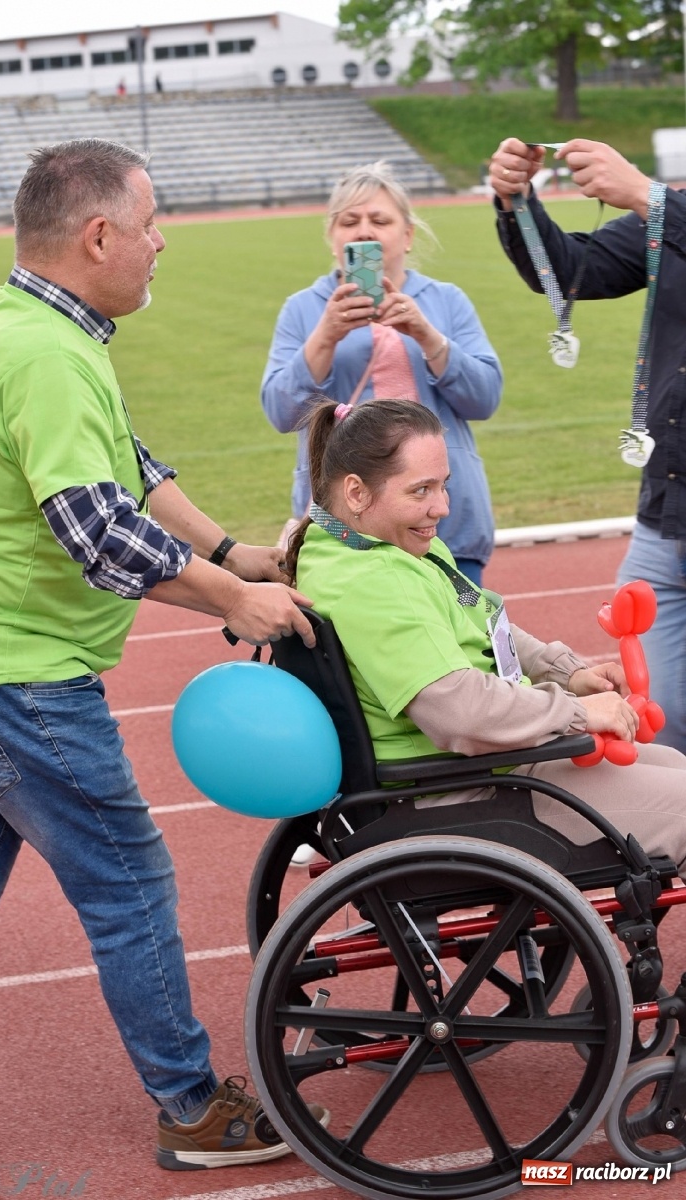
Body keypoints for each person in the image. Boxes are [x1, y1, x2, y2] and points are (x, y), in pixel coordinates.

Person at [0, 137, 324, 1179]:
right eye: (149, 224)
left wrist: (231, 553)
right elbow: (100, 533)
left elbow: (131, 467)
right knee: (129, 881)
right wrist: (236, 600)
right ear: (96, 237)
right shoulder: (44, 353)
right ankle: (191, 1107)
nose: (160, 242)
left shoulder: (41, 328)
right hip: (7, 675)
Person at [285, 398, 686, 872]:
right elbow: (461, 712)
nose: (442, 507)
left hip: (484, 771)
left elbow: (481, 619)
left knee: (673, 765)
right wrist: (578, 712)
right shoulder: (376, 581)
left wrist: (568, 673)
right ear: (355, 492)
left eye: (443, 485)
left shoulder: (360, 547)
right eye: (420, 490)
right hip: (463, 793)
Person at [488, 136, 686, 756]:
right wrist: (518, 201)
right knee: (662, 721)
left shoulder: (669, 210)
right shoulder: (674, 213)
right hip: (666, 517)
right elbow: (573, 271)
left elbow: (661, 209)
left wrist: (649, 197)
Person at [261, 161, 503, 587]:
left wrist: (427, 336)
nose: (364, 231)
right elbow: (282, 412)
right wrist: (325, 336)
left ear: (407, 235)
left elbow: (484, 398)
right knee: (358, 626)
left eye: (380, 220)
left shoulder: (445, 300)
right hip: (345, 524)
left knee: (462, 624)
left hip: (444, 518)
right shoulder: (304, 308)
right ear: (332, 237)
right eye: (349, 221)